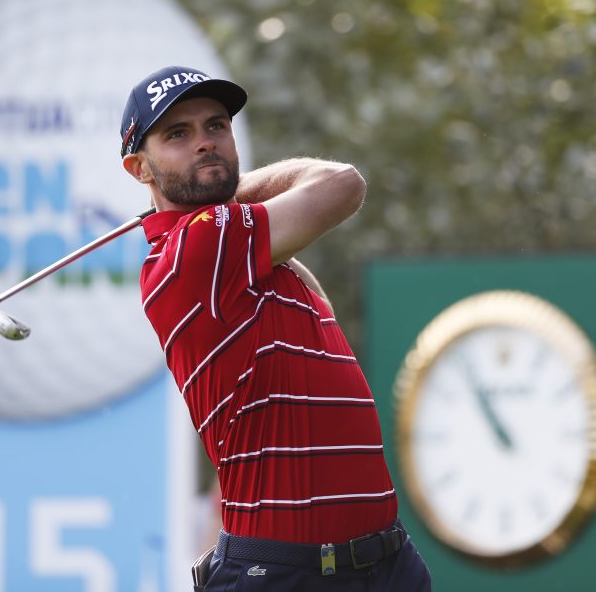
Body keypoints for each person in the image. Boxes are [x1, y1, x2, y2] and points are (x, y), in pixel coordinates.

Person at [119, 66, 432, 591]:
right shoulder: (197, 249)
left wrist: (228, 193)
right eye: (178, 135)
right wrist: (234, 191)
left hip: (386, 561)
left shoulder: (254, 257)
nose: (206, 144)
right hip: (286, 573)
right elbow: (342, 184)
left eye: (216, 127)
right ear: (139, 168)